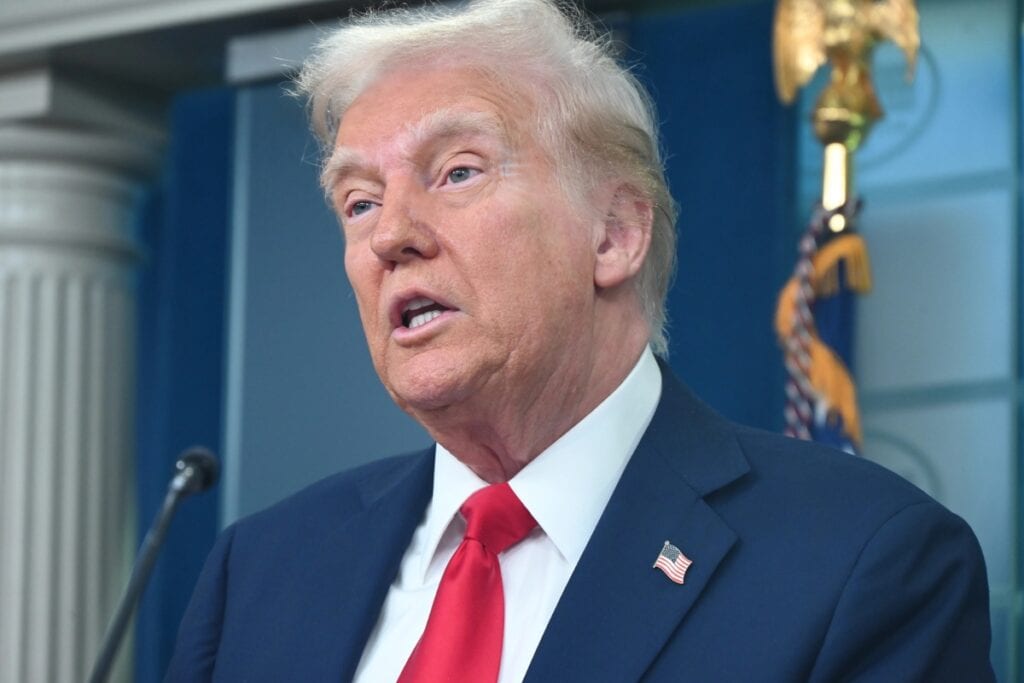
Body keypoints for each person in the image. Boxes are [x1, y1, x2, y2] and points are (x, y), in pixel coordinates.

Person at [166, 0, 995, 680]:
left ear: (614, 236)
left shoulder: (860, 562)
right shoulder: (260, 574)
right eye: (358, 202)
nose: (390, 237)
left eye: (457, 171)